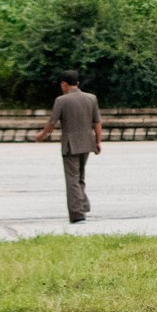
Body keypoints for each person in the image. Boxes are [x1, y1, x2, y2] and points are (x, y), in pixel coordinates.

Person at [35, 70, 102, 223]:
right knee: (80, 176)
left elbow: (52, 123)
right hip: (87, 143)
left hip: (70, 145)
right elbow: (97, 122)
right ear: (77, 84)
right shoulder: (91, 98)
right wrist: (98, 142)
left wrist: (42, 136)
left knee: (72, 179)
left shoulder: (61, 101)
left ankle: (77, 213)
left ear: (64, 84)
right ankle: (83, 205)